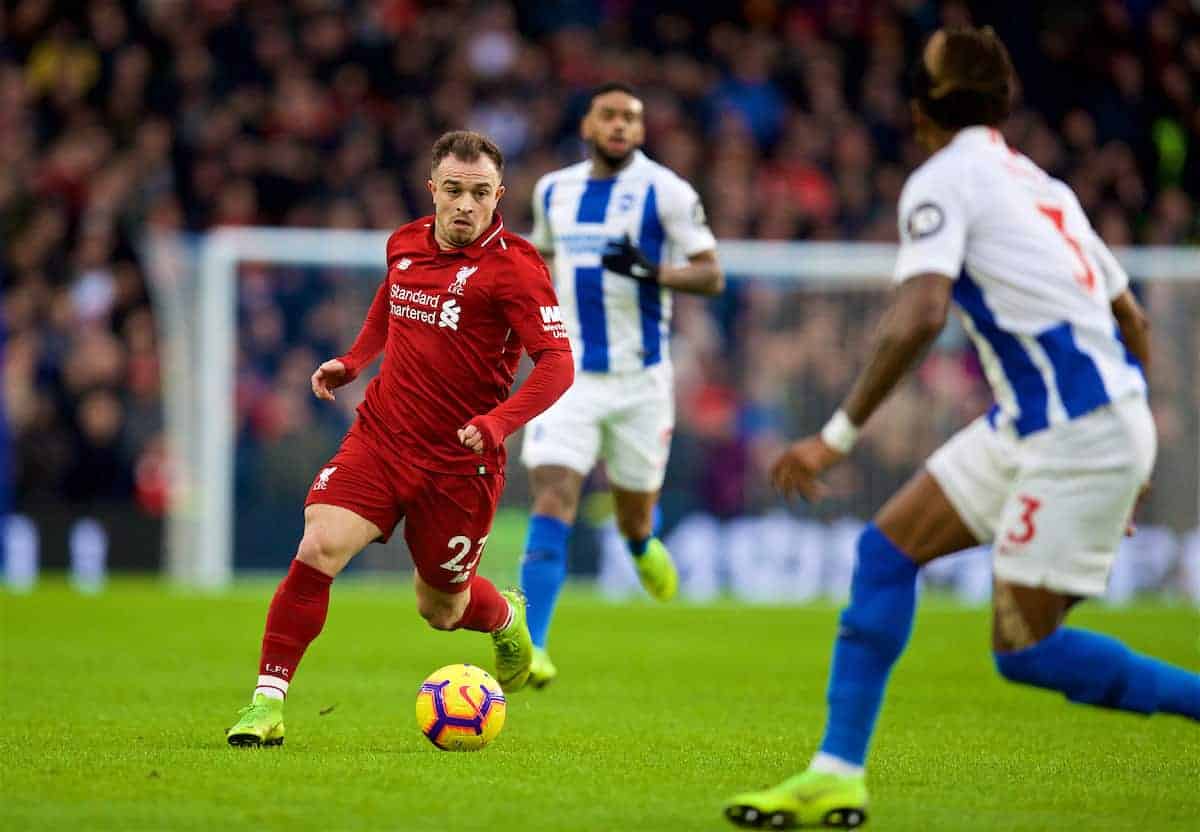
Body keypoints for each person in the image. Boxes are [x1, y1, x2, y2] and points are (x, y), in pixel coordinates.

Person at [724, 27, 1200, 830]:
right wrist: (1137, 426)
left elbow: (920, 313)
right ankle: (836, 772)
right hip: (1049, 421)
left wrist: (835, 435)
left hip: (1077, 431)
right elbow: (1134, 318)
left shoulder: (943, 180)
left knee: (1028, 654)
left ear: (918, 110)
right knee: (885, 553)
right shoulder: (1043, 185)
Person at [226, 130, 574, 747]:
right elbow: (393, 298)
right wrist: (356, 360)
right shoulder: (406, 243)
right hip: (381, 438)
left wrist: (498, 423)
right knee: (318, 547)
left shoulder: (515, 269)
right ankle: (266, 703)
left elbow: (557, 363)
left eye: (480, 193)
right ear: (433, 190)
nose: (466, 205)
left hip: (459, 462)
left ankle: (504, 614)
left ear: (499, 195)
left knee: (441, 609)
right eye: (454, 191)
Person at [518, 83, 724, 687]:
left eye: (631, 118)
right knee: (555, 492)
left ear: (641, 130)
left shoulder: (667, 192)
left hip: (641, 380)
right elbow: (540, 259)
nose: (619, 125)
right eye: (609, 115)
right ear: (588, 124)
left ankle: (639, 546)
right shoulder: (554, 190)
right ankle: (532, 646)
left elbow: (713, 275)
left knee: (635, 518)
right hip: (570, 371)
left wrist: (653, 272)